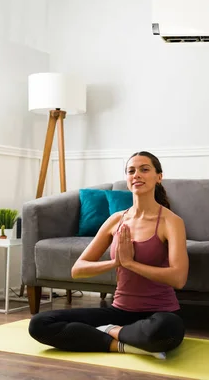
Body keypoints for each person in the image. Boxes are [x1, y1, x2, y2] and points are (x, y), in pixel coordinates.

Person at [28, 151, 189, 360]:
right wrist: (115, 262)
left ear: (159, 177)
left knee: (167, 330)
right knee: (39, 324)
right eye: (131, 171)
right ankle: (124, 345)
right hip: (119, 311)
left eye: (144, 169)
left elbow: (178, 278)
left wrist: (130, 263)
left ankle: (109, 332)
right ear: (127, 179)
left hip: (159, 313)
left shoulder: (171, 221)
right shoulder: (115, 220)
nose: (137, 175)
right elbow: (78, 269)